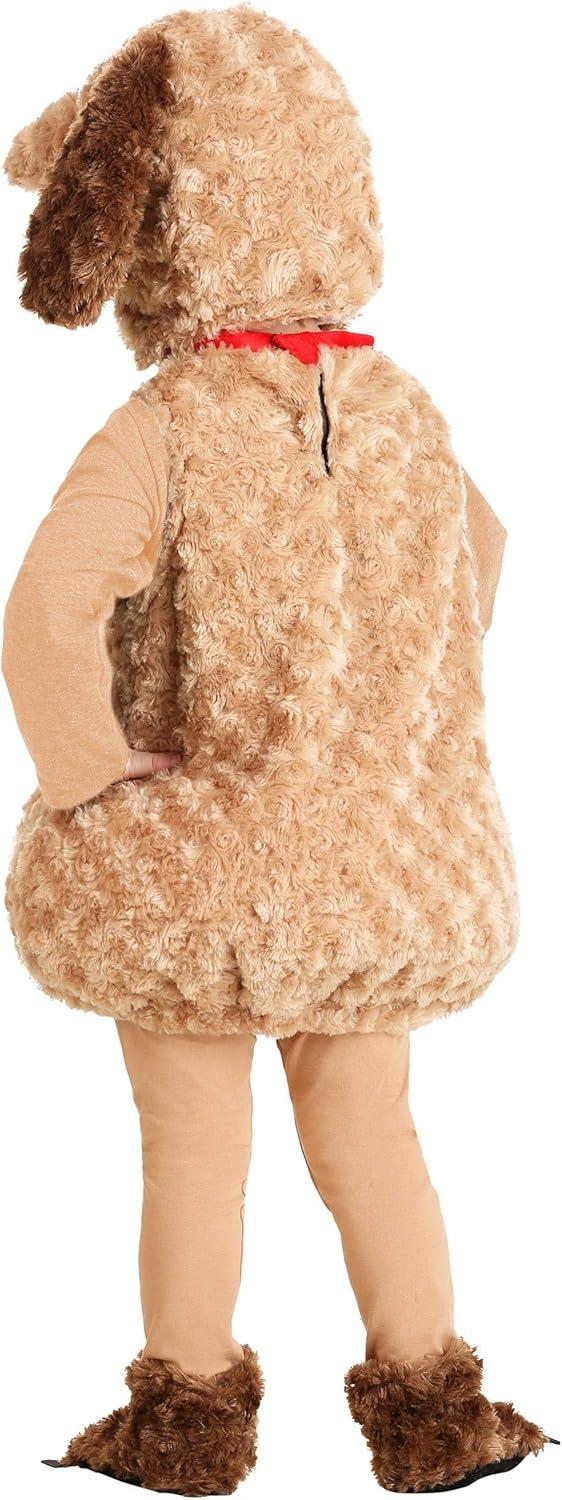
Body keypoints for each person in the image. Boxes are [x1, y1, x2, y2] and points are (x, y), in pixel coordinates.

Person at [3, 8, 552, 1493]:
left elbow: (49, 608)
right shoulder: (403, 411)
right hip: (370, 860)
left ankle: (185, 1422)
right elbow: (483, 555)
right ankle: (435, 1411)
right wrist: (390, 718)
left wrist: (89, 772)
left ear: (159, 229)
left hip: (196, 869)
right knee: (373, 1130)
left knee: (191, 1145)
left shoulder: (167, 425)